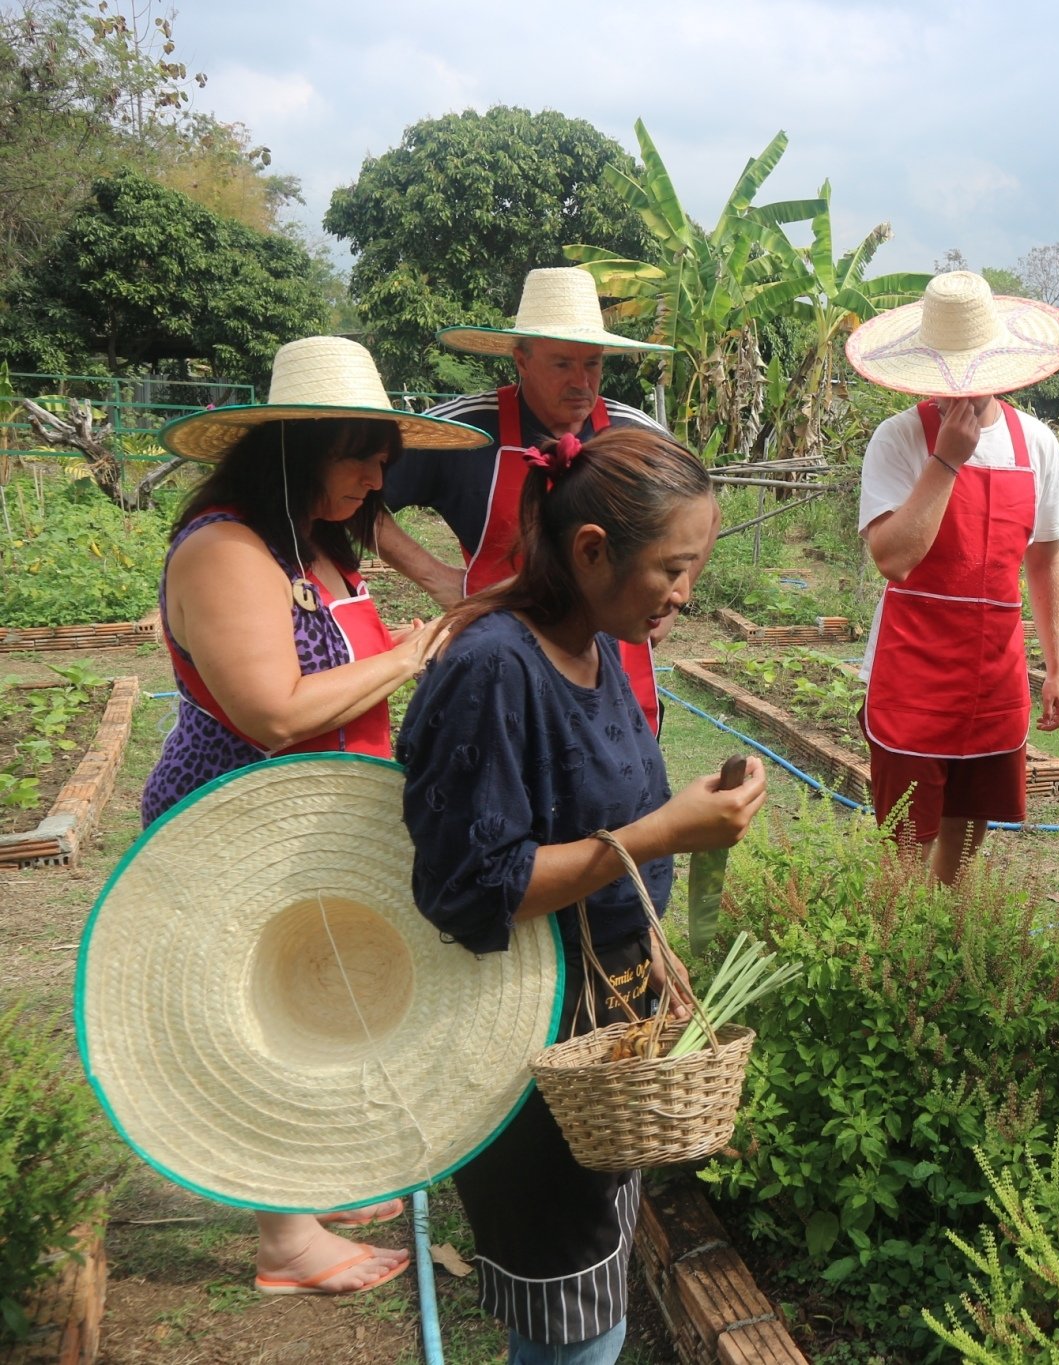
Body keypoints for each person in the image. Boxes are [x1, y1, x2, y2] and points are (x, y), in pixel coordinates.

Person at [397, 422, 769, 1365]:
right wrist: (660, 833)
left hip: (603, 1038)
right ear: (593, 550)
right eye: (673, 569)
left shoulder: (593, 649)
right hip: (528, 1049)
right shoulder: (494, 669)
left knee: (584, 1310)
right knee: (574, 1327)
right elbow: (469, 886)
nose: (687, 595)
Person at [145, 335, 493, 1295]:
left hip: (308, 820)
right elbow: (274, 709)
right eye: (360, 456)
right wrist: (416, 652)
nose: (377, 477)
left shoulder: (312, 535)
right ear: (296, 450)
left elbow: (394, 599)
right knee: (259, 1021)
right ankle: (285, 1242)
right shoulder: (226, 548)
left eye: (385, 458)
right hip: (235, 822)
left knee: (315, 1007)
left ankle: (306, 1188)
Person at [842, 271, 1059, 883]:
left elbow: (1045, 555)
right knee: (903, 843)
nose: (965, 381)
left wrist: (1056, 668)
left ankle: (945, 938)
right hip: (913, 671)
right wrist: (947, 458)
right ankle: (896, 958)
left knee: (967, 834)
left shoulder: (1037, 443)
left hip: (996, 674)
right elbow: (894, 558)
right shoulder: (899, 439)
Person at [373, 266, 673, 733]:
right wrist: (436, 576)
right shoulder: (465, 429)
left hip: (616, 680)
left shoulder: (638, 435)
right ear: (521, 361)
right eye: (562, 364)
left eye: (592, 363)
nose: (581, 381)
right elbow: (353, 497)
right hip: (497, 669)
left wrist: (668, 599)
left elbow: (695, 517)